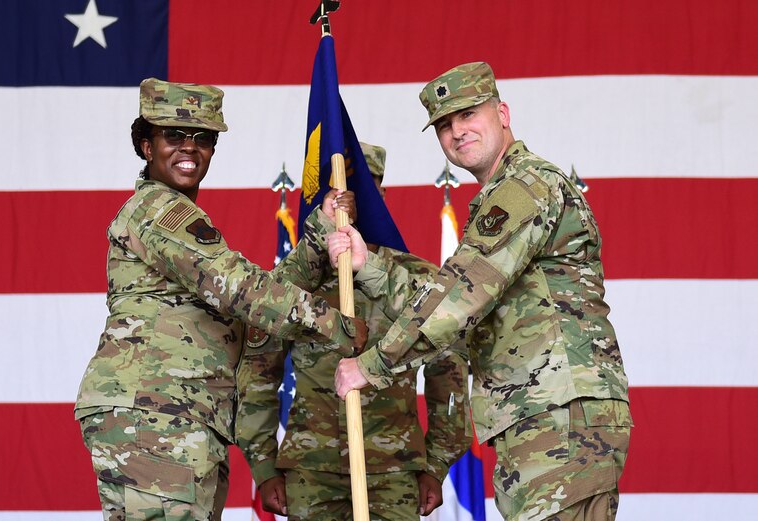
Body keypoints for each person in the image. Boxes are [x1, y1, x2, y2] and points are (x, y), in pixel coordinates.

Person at [331, 62, 632, 521]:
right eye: (445, 125)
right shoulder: (503, 194)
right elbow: (458, 292)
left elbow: (459, 297)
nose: (457, 132)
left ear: (503, 113)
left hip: (560, 416)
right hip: (542, 414)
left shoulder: (524, 186)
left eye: (468, 114)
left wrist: (371, 366)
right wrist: (366, 266)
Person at [74, 78, 366, 521]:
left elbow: (244, 302)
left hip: (180, 412)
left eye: (203, 138)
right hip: (157, 412)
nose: (189, 148)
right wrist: (334, 325)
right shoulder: (159, 210)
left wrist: (319, 233)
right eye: (173, 135)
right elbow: (238, 288)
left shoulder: (181, 218)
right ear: (145, 145)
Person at [236, 142, 473, 521]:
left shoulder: (418, 278)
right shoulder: (296, 283)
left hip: (395, 469)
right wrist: (263, 466)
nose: (350, 200)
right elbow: (259, 372)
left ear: (381, 192)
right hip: (311, 471)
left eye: (362, 187)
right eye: (338, 191)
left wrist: (436, 465)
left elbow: (450, 377)